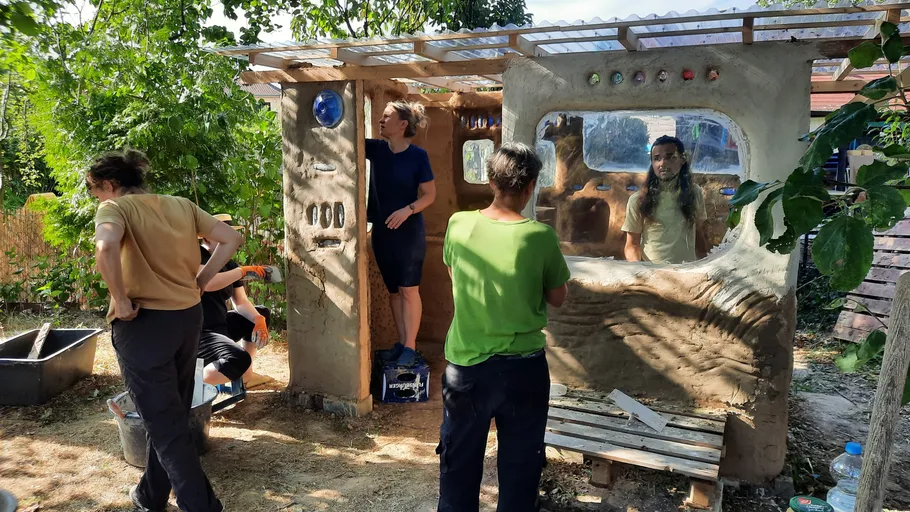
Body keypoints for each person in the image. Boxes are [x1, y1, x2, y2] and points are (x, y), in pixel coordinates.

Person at [89, 149, 241, 512]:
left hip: (145, 326)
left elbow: (105, 245)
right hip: (188, 318)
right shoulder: (182, 205)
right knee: (170, 414)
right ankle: (150, 495)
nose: (97, 197)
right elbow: (230, 239)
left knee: (165, 423)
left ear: (110, 184)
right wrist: (201, 281)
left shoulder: (115, 209)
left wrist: (120, 300)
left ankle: (202, 506)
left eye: (96, 190)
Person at [438, 143, 570, 511]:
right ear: (530, 187)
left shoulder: (459, 224)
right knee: (520, 466)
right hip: (524, 371)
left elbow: (455, 276)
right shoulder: (540, 237)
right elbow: (558, 297)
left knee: (458, 464)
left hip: (466, 370)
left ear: (491, 180)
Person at [367, 100, 437, 366]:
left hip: (409, 234)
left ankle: (411, 347)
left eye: (386, 116)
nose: (381, 120)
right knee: (394, 292)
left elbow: (430, 195)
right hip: (382, 234)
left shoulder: (418, 156)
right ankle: (401, 343)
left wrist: (408, 210)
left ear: (402, 124)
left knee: (409, 291)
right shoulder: (375, 149)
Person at [197, 215, 274, 389]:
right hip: (199, 332)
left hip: (220, 325)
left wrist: (258, 320)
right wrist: (243, 271)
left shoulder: (229, 263)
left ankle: (246, 374)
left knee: (260, 313)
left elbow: (240, 302)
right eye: (223, 235)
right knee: (238, 360)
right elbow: (208, 283)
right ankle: (190, 380)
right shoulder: (196, 255)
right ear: (207, 237)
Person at [622, 135, 709, 264]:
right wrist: (639, 270)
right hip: (653, 274)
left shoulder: (694, 193)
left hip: (687, 272)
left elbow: (699, 234)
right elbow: (632, 245)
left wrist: (705, 265)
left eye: (670, 157)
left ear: (682, 159)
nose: (662, 163)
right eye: (657, 159)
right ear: (652, 163)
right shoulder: (638, 200)